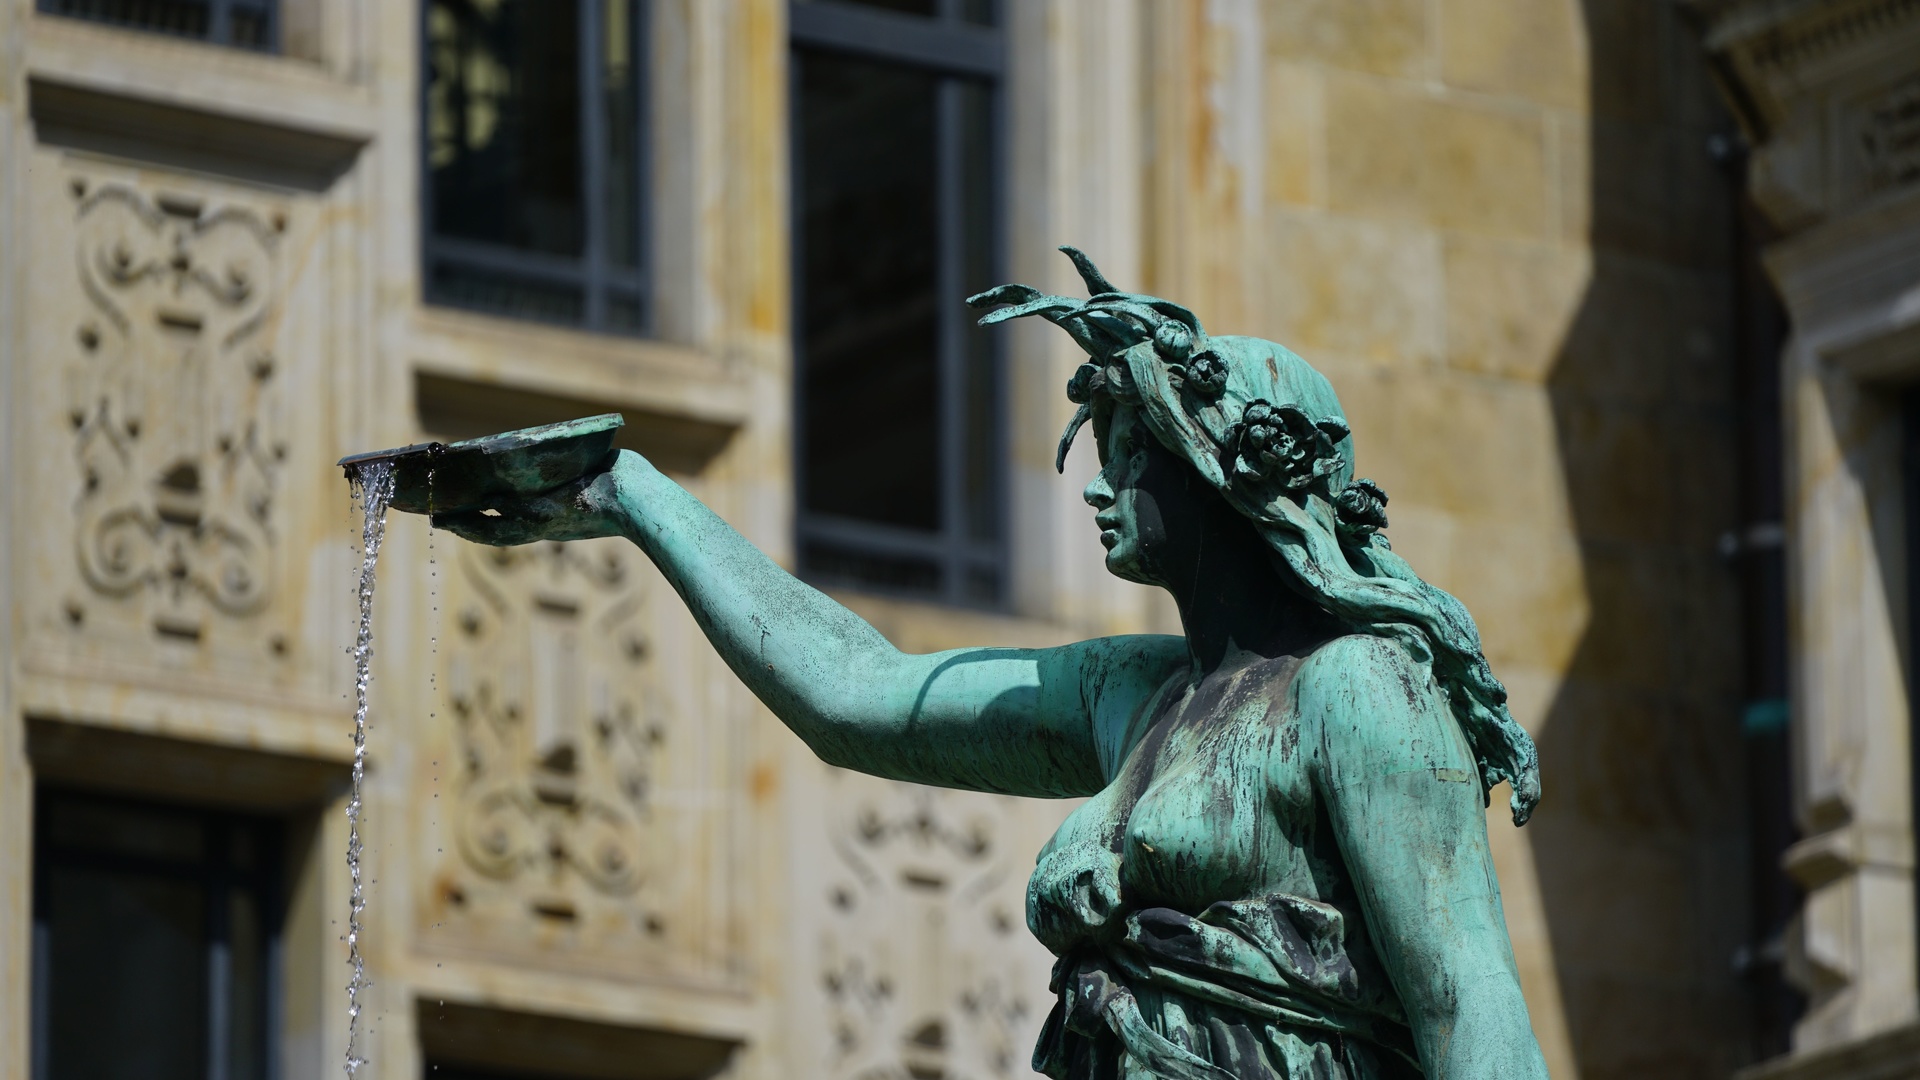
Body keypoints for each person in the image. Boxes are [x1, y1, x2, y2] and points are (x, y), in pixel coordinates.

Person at [436, 248, 1550, 1079]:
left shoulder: (1362, 691)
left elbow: (1467, 998)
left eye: (1129, 451)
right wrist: (632, 496)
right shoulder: (1135, 695)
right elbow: (861, 697)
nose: (1099, 484)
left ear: (1221, 474)